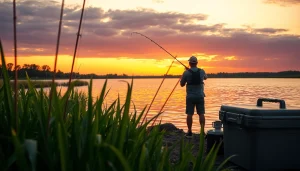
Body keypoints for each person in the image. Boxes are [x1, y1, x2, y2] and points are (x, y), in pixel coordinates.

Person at [180, 56, 207, 138]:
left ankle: (189, 131)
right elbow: (205, 78)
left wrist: (186, 71)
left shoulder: (186, 73)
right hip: (200, 96)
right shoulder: (202, 71)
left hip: (190, 97)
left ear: (189, 63)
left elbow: (182, 84)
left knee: (189, 114)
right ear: (197, 63)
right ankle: (202, 132)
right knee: (201, 114)